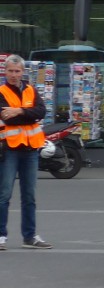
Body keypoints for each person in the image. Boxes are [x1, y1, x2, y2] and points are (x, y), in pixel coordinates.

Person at [0, 54, 52, 249]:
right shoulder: (1, 92)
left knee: (29, 196)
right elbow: (6, 118)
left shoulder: (31, 90)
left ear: (23, 72)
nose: (14, 75)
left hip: (30, 149)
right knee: (4, 195)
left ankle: (29, 236)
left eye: (17, 71)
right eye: (11, 71)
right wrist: (25, 114)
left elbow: (41, 112)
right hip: (10, 149)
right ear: (5, 72)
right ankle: (0, 236)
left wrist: (19, 111)